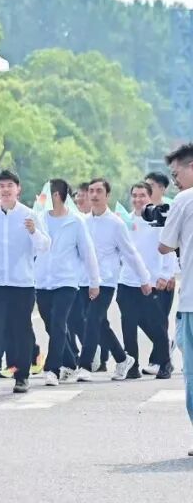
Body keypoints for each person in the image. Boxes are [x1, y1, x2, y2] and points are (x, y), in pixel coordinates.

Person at [0, 170, 51, 394]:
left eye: (10, 185)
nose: (6, 190)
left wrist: (33, 231)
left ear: (18, 189)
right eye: (1, 186)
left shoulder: (30, 215)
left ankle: (22, 376)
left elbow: (45, 245)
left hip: (22, 284)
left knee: (21, 331)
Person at [80, 178, 150, 382]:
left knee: (92, 320)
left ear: (107, 195)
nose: (94, 195)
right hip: (84, 280)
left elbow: (130, 253)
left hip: (106, 281)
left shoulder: (116, 224)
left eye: (99, 191)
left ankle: (84, 365)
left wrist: (144, 278)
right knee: (99, 323)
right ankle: (122, 358)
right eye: (91, 191)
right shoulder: (82, 222)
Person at [33, 179, 99, 387]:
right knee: (50, 324)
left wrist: (94, 281)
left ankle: (52, 369)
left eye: (47, 193)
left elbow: (88, 252)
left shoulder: (76, 221)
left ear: (57, 195)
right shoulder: (39, 219)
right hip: (42, 281)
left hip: (67, 281)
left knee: (59, 322)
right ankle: (70, 362)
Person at [157, 142, 193, 457]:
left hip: (191, 302)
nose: (175, 181)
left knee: (192, 374)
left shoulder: (184, 199)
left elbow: (164, 245)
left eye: (176, 173)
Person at [130, 182, 178, 377]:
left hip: (155, 280)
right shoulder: (126, 220)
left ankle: (164, 362)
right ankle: (165, 345)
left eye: (142, 195)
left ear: (150, 197)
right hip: (133, 280)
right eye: (135, 195)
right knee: (138, 319)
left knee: (157, 322)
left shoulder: (158, 220)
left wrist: (166, 275)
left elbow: (169, 249)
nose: (138, 199)